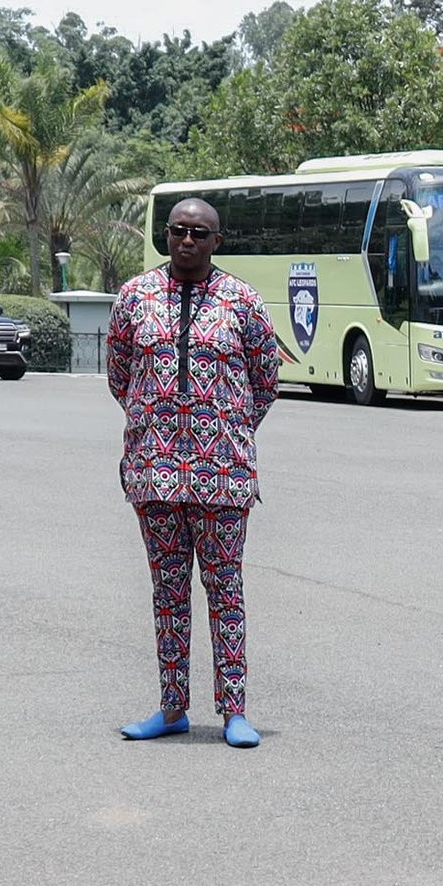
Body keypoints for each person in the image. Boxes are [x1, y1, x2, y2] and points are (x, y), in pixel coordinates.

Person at [109, 195, 283, 748]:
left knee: (225, 589)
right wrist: (154, 421)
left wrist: (224, 426)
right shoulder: (134, 297)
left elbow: (265, 380)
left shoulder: (243, 302)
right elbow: (119, 374)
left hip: (223, 475)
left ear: (217, 241)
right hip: (154, 472)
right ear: (166, 235)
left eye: (198, 233)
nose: (187, 240)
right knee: (168, 592)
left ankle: (234, 710)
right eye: (178, 231)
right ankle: (172, 707)